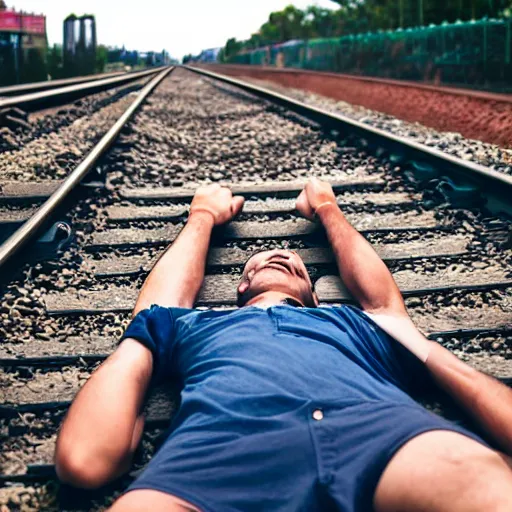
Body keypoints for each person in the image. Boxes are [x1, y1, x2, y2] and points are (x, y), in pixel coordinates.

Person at [55, 178, 512, 512]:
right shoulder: (193, 325)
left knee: (483, 485)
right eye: (259, 261)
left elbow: (383, 301)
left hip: (378, 436)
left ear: (313, 294)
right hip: (216, 453)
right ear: (241, 286)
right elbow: (85, 458)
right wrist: (202, 216)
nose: (279, 255)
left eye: (296, 263)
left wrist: (328, 208)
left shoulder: (361, 323)